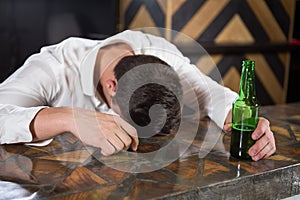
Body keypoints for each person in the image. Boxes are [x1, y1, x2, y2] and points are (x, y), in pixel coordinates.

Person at [0, 30, 276, 161]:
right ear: (112, 86)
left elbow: (208, 93)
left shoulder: (162, 54)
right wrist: (70, 118)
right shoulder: (54, 67)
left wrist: (243, 120)